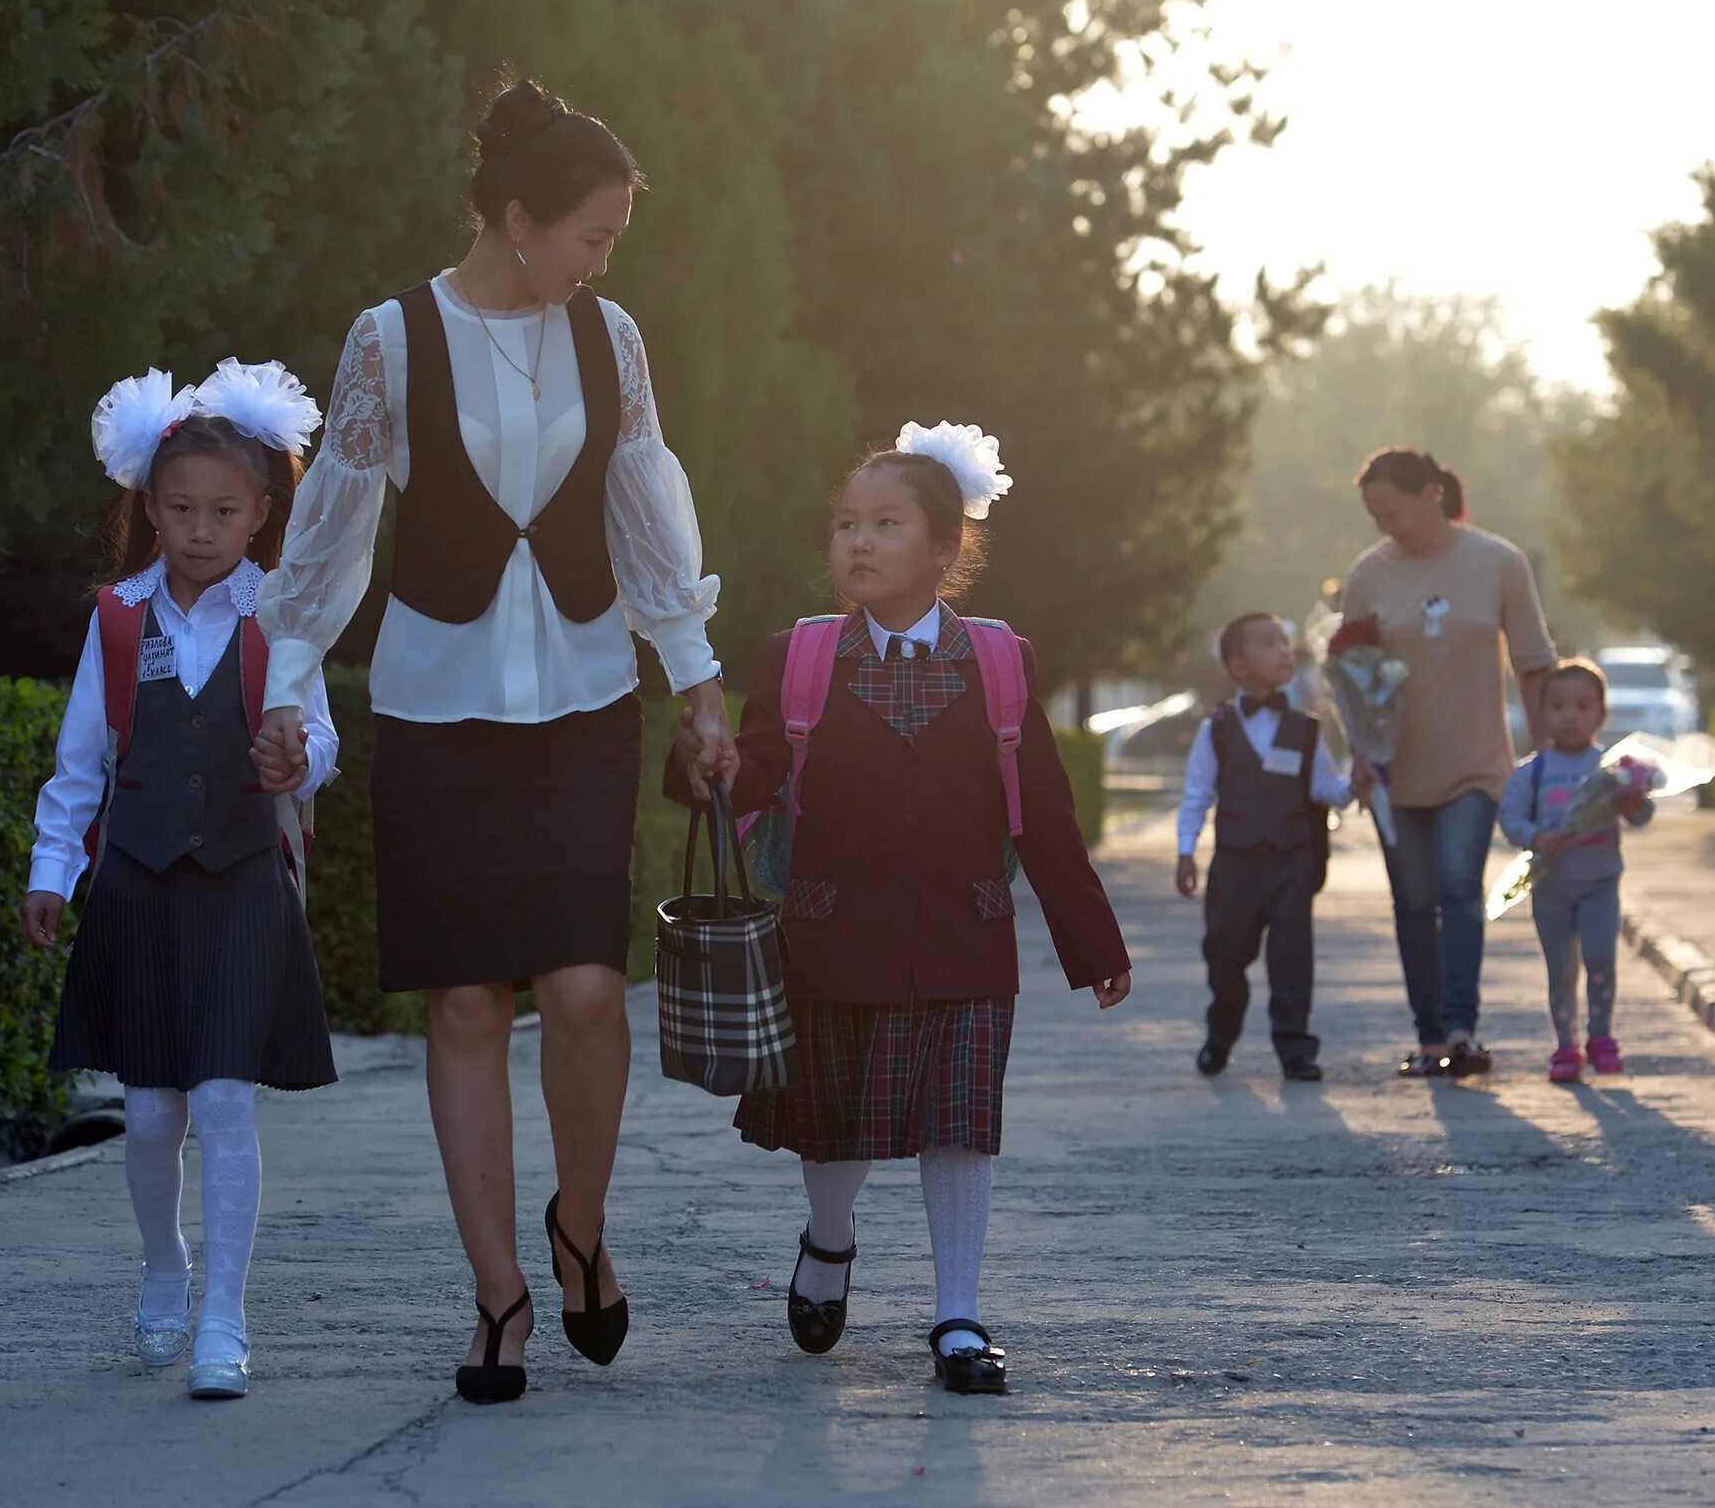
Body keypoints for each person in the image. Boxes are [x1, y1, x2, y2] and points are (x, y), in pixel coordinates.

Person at [250, 80, 736, 1404]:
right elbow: (338, 523)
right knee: (464, 1003)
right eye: (590, 234)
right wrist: (290, 679)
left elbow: (644, 512)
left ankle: (580, 1231)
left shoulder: (610, 339)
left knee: (583, 989)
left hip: (583, 699)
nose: (602, 259)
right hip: (434, 708)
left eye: (612, 243)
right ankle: (499, 1300)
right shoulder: (392, 338)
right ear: (518, 220)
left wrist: (695, 675)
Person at [667, 423, 1131, 1396]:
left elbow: (1042, 812)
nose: (858, 543)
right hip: (832, 934)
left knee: (958, 1122)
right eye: (845, 523)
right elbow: (752, 772)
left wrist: (1089, 942)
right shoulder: (800, 656)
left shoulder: (1000, 662)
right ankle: (828, 1245)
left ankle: (957, 1317)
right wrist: (705, 757)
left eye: (886, 523)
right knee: (836, 1125)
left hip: (966, 933)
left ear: (945, 547)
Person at [21, 361, 340, 1400]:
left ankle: (223, 1321)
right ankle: (166, 1269)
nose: (201, 529)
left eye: (225, 510)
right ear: (149, 509)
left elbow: (320, 732)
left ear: (259, 514)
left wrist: (302, 757)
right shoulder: (116, 617)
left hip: (245, 880)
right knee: (153, 1114)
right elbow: (80, 766)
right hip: (139, 887)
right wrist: (51, 874)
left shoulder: (284, 614)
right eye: (180, 509)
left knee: (226, 1103)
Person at [1341, 446, 1557, 1079]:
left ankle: (1462, 1030)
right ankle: (1430, 1035)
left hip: (1475, 762)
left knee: (1458, 884)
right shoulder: (1368, 575)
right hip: (1394, 770)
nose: (1385, 526)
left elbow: (1533, 664)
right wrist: (1360, 755)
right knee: (1412, 900)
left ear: (1432, 493)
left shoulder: (1498, 561)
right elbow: (1353, 679)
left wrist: (1545, 760)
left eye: (1393, 510)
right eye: (1375, 516)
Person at [1175, 613, 1353, 1081]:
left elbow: (1327, 787)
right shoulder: (1216, 729)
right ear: (1238, 666)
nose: (1284, 651)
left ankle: (1296, 1049)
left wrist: (1360, 783)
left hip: (1292, 859)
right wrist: (1185, 850)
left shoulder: (1306, 728)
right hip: (1234, 864)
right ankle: (1221, 1034)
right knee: (1225, 953)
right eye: (1269, 643)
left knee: (1292, 957)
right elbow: (1197, 793)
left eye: (1285, 642)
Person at [1498, 659, 1655, 1082]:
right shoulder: (1532, 772)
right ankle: (1566, 1047)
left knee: (1601, 957)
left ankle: (1601, 1037)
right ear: (1542, 714)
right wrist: (1535, 837)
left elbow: (1642, 816)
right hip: (1551, 888)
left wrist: (1635, 802)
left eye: (1582, 706)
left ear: (1601, 715)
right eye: (1559, 706)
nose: (1570, 715)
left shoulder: (1616, 771)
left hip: (1600, 885)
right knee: (1561, 968)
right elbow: (1510, 819)